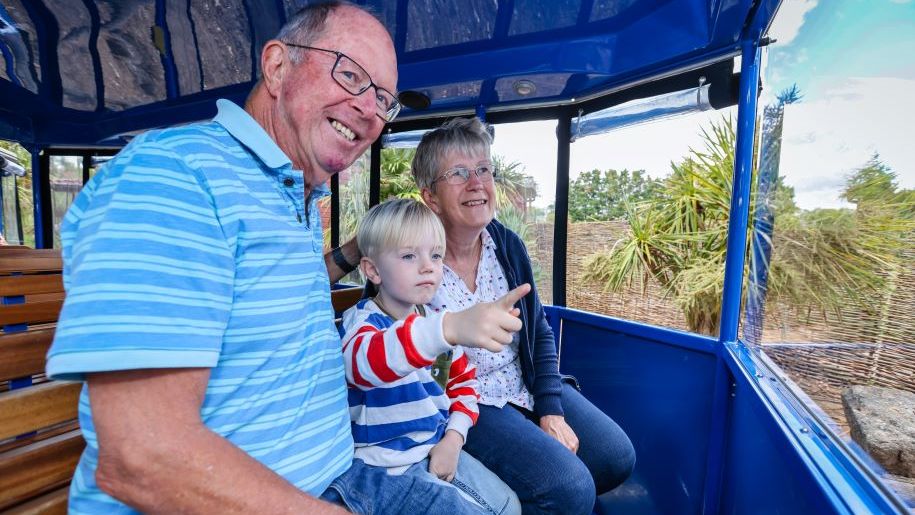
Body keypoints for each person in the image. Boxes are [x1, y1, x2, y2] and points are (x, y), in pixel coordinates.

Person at [45, 4, 524, 514]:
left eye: (384, 99)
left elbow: (260, 293)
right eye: (350, 73)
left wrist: (364, 247)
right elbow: (142, 456)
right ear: (277, 66)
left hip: (341, 473)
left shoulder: (294, 197)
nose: (369, 109)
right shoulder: (173, 177)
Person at [413, 117, 637, 515]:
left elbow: (538, 331)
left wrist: (549, 408)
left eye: (483, 170)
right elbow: (397, 353)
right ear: (430, 196)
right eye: (459, 173)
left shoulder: (506, 245)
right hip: (466, 402)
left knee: (614, 456)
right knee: (570, 489)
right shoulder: (411, 256)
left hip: (521, 385)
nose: (476, 183)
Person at [341, 199, 523, 515]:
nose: (428, 266)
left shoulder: (435, 322)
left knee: (510, 507)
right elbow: (363, 366)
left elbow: (464, 388)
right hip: (382, 467)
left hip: (435, 447)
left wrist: (453, 438)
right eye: (409, 255)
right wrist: (443, 331)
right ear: (372, 270)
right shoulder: (364, 323)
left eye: (435, 255)